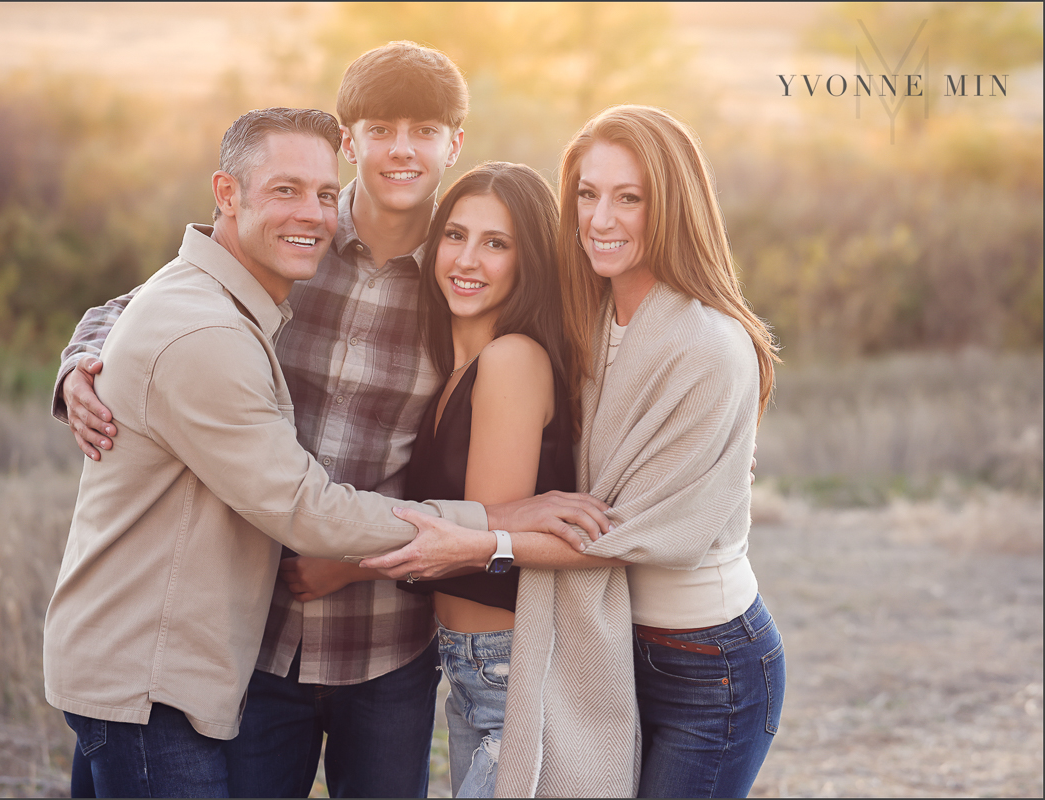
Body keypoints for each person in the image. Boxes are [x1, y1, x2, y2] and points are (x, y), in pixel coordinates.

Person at [53, 44, 609, 798]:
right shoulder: (292, 234)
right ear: (351, 142)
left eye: (424, 130)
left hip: (385, 639)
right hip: (255, 628)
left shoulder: (460, 273)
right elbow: (151, 304)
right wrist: (80, 366)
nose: (401, 150)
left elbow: (556, 345)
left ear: (455, 144)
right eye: (380, 129)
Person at [361, 105, 785, 799]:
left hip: (707, 659)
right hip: (606, 641)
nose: (600, 219)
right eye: (587, 194)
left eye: (629, 198)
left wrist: (480, 543)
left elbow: (642, 531)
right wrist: (112, 347)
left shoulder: (711, 346)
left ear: (673, 206)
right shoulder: (585, 322)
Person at [278, 162, 575, 798]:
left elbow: (472, 540)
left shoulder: (511, 360)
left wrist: (345, 566)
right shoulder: (452, 365)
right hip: (470, 669)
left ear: (530, 262)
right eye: (456, 236)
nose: (468, 260)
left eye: (497, 244)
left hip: (508, 667)